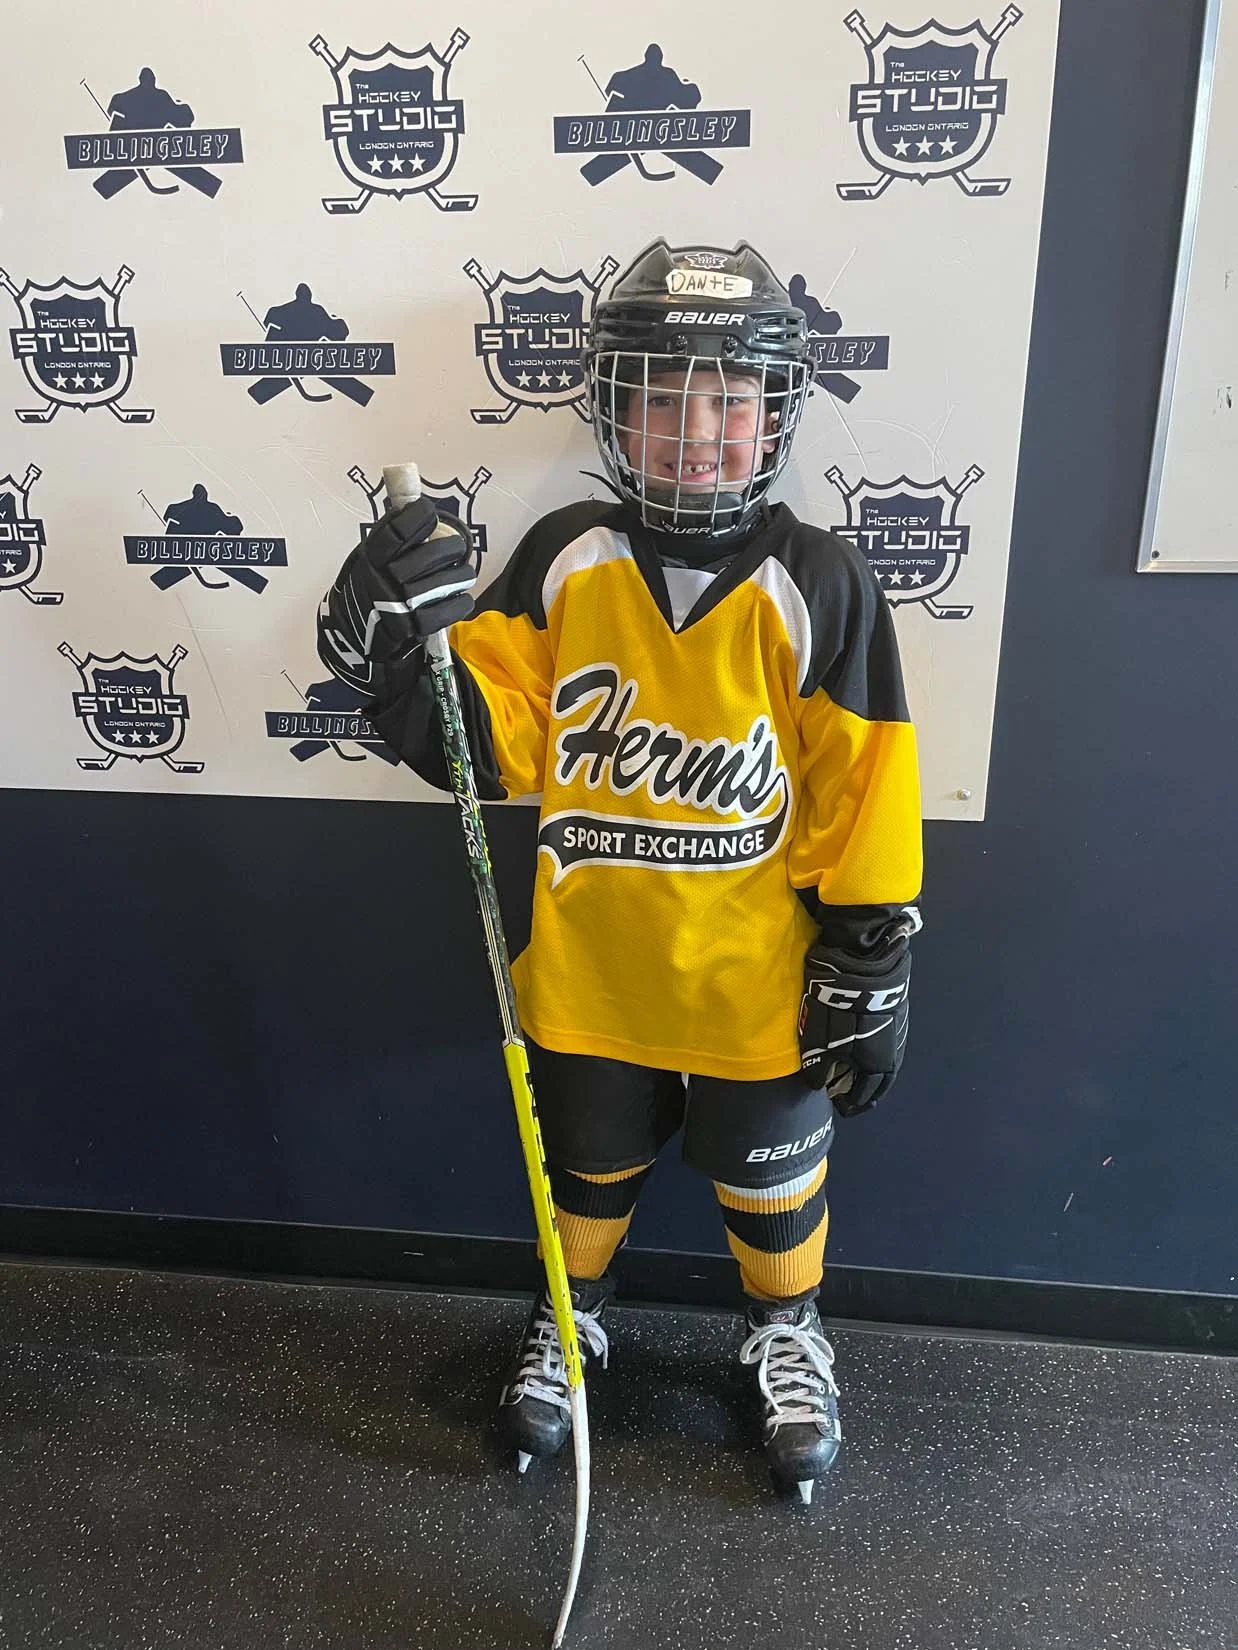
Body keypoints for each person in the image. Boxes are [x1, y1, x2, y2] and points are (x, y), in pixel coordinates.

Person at [316, 240, 923, 1504]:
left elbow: (864, 777)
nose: (695, 430)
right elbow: (476, 738)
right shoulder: (566, 555)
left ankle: (784, 1329)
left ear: (775, 415)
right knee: (583, 1156)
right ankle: (574, 1315)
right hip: (593, 970)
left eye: (728, 399)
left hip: (754, 981)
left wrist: (870, 950)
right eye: (661, 396)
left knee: (773, 1170)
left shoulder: (817, 577)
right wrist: (389, 643)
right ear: (615, 410)